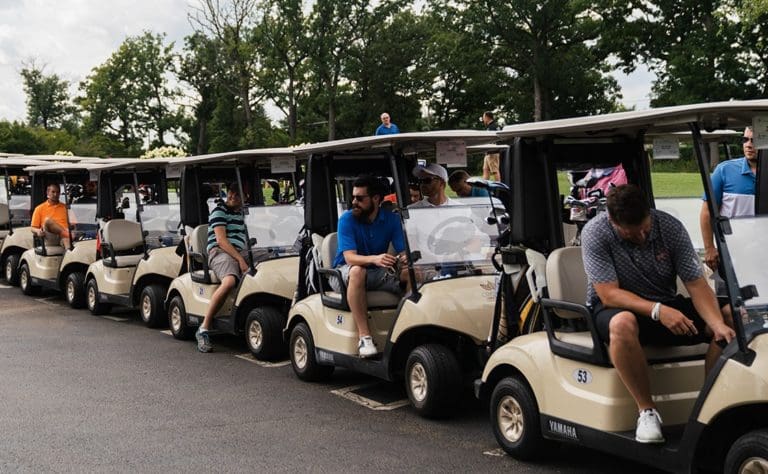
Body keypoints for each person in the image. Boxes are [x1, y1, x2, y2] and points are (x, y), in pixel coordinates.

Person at [582, 184, 735, 444]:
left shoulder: (669, 227)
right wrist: (657, 311)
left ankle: (710, 405)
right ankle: (647, 412)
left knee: (732, 315)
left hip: (665, 304)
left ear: (649, 214)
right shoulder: (595, 233)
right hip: (615, 309)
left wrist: (716, 323)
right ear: (613, 221)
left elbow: (696, 284)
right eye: (632, 234)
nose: (642, 237)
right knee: (622, 323)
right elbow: (609, 294)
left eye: (645, 229)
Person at [330, 175, 407, 357]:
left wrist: (404, 259)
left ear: (376, 199)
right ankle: (364, 337)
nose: (354, 202)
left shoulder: (391, 219)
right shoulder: (347, 219)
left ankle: (407, 328)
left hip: (376, 271)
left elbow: (403, 250)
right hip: (343, 274)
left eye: (360, 198)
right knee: (358, 271)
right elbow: (350, 258)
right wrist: (375, 259)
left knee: (412, 273)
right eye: (353, 197)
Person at [196, 183, 250, 353]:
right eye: (232, 192)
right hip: (220, 252)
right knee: (229, 281)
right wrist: (240, 260)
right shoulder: (220, 211)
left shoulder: (243, 214)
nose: (233, 196)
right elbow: (221, 240)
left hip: (242, 251)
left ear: (246, 198)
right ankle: (204, 329)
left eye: (238, 194)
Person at [700, 127, 757, 273]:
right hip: (732, 252)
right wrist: (709, 248)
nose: (748, 145)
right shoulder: (724, 170)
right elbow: (707, 212)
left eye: (754, 140)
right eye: (745, 139)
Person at [31, 183, 70, 249]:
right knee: (48, 220)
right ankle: (66, 236)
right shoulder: (39, 208)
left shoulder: (65, 207)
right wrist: (38, 231)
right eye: (53, 192)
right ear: (47, 192)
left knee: (67, 236)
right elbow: (33, 228)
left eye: (58, 192)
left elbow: (74, 225)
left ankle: (69, 255)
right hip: (50, 236)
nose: (55, 194)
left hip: (65, 236)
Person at [481, 111, 501, 181]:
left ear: (487, 117)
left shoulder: (492, 127)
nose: (483, 119)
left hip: (493, 151)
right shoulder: (494, 126)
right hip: (488, 152)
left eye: (483, 118)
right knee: (485, 170)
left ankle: (499, 189)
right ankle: (484, 187)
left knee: (495, 171)